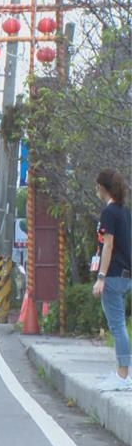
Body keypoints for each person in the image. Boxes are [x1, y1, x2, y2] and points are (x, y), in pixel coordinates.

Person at [91, 168, 132, 392]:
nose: (96, 190)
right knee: (119, 325)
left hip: (113, 275)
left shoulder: (109, 212)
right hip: (125, 274)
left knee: (117, 326)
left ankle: (123, 376)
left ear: (103, 187)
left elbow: (108, 245)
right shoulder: (124, 212)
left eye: (97, 186)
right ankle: (121, 372)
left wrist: (101, 277)